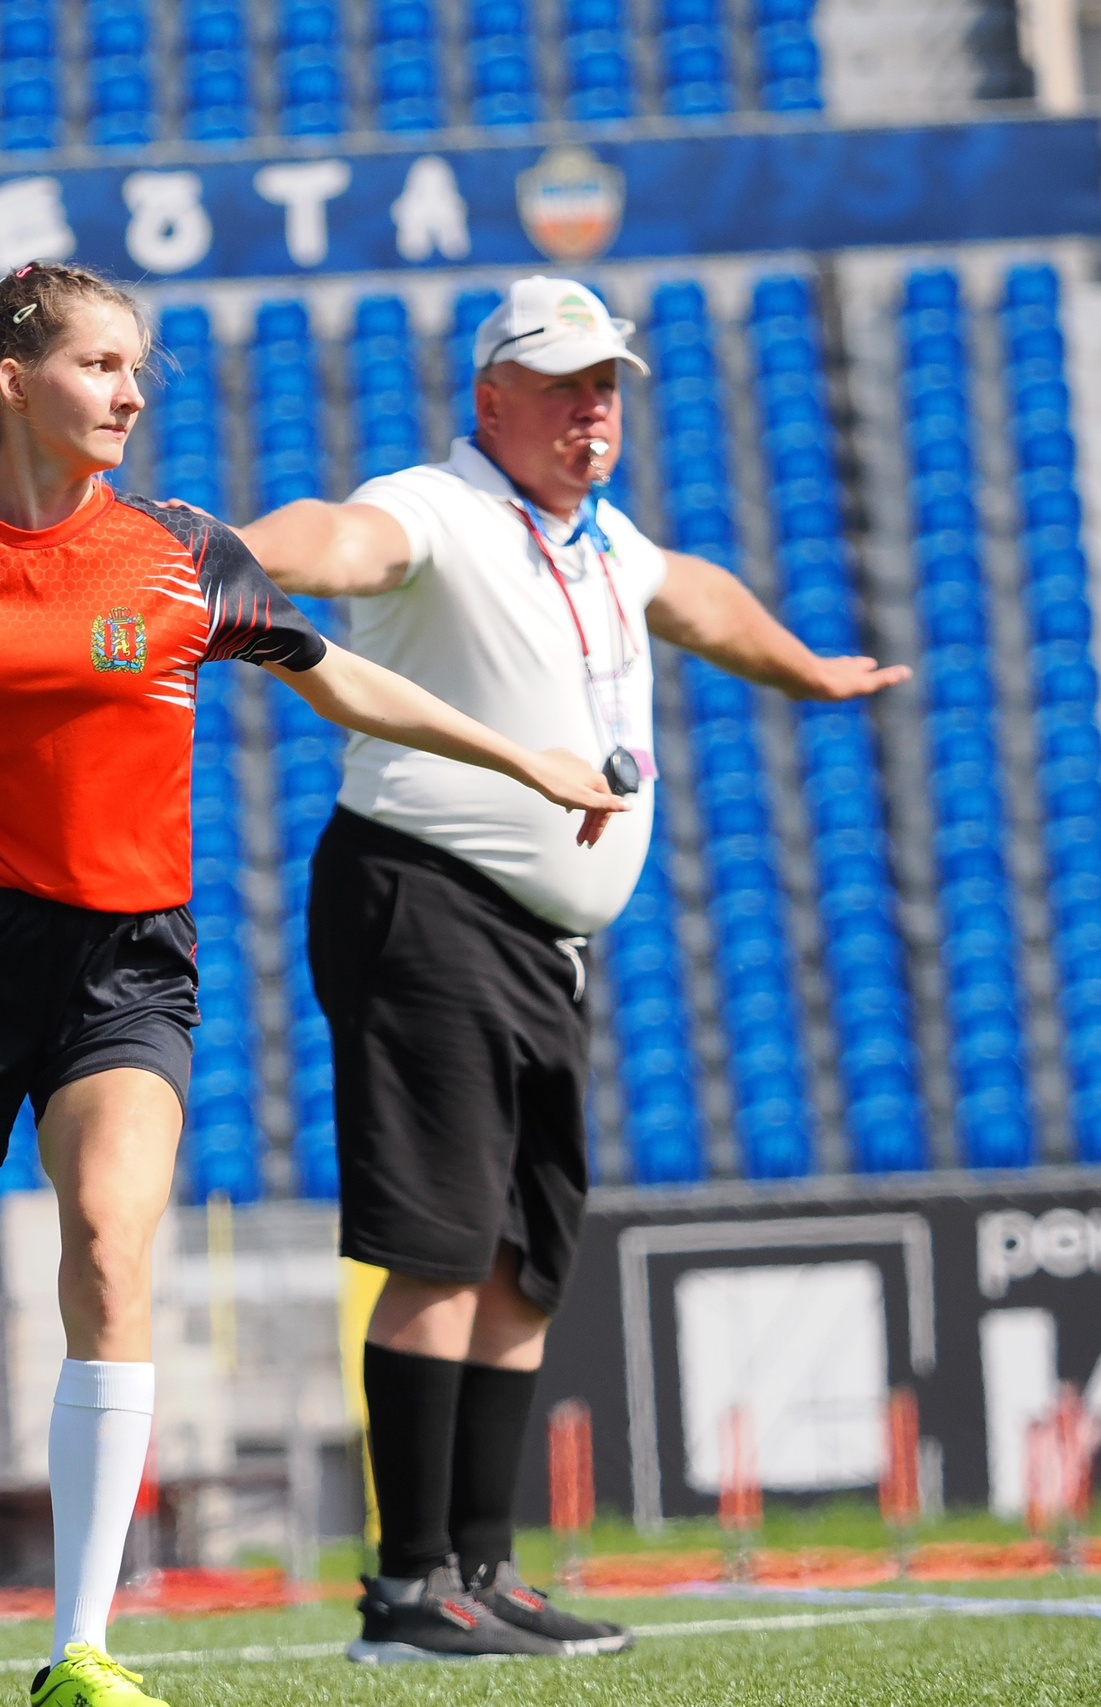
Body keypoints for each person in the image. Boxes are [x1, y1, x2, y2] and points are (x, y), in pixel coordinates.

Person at [0, 262, 630, 1707]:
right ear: (13, 382)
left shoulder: (184, 554)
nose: (132, 394)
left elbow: (336, 676)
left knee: (107, 1251)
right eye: (101, 366)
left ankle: (80, 1651)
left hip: (130, 965)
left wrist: (524, 759)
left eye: (138, 370)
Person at [236, 275, 910, 1662]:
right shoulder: (440, 505)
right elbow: (340, 539)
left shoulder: (603, 538)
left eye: (605, 387)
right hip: (424, 898)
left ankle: (482, 1572)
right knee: (441, 1251)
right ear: (492, 399)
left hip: (546, 941)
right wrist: (233, 551)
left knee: (523, 1262)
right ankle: (407, 1593)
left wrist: (801, 668)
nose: (591, 412)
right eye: (561, 387)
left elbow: (694, 593)